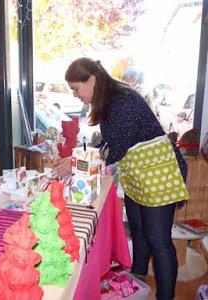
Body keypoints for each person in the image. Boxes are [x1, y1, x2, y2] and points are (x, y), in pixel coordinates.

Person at [54, 58, 188, 300]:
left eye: (76, 88)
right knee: (138, 229)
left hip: (158, 173)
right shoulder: (108, 101)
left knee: (159, 240)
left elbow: (116, 149)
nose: (75, 95)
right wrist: (80, 157)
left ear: (92, 80)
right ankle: (136, 278)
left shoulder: (123, 100)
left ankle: (166, 296)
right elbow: (109, 144)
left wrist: (76, 164)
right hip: (138, 173)